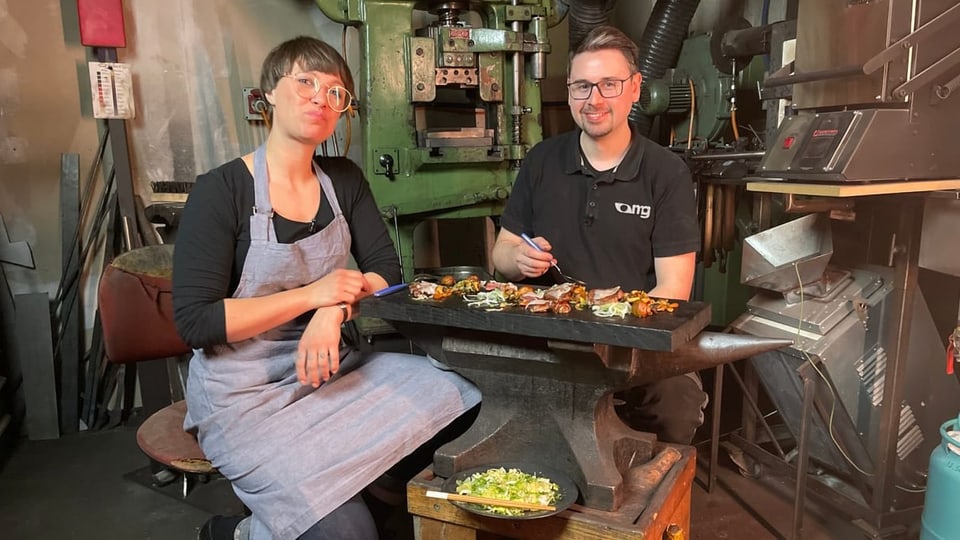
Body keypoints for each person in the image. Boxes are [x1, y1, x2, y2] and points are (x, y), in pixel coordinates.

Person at [172, 36, 481, 540]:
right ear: (269, 93)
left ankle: (375, 485)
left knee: (467, 397)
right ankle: (238, 534)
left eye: (336, 92)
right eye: (306, 82)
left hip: (334, 371)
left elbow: (387, 271)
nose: (321, 97)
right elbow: (197, 322)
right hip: (246, 397)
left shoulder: (344, 179)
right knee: (348, 535)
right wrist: (314, 295)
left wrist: (331, 312)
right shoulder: (222, 190)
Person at [491, 25, 707, 445]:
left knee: (677, 404)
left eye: (609, 85)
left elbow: (672, 292)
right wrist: (518, 259)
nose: (594, 100)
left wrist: (612, 334)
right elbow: (502, 250)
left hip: (636, 347)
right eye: (582, 86)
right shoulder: (542, 161)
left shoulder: (666, 173)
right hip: (550, 339)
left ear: (635, 88)